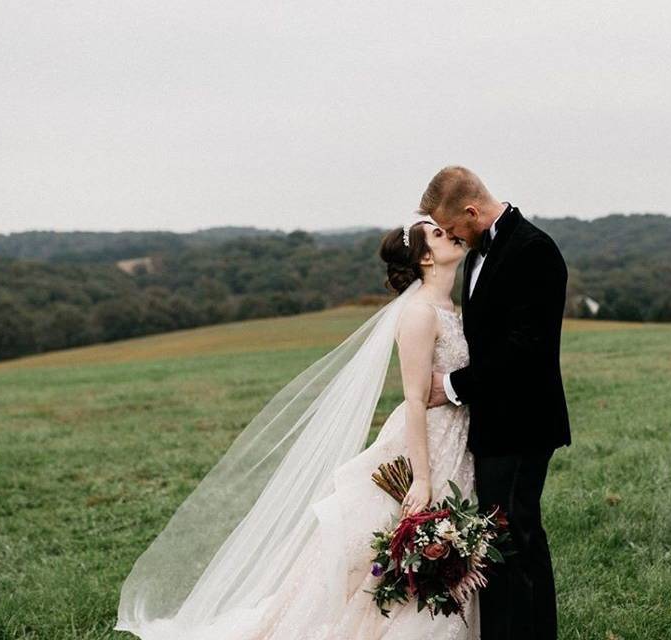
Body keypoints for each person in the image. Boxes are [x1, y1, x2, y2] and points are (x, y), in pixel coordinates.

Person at [115, 219, 480, 639]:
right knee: (386, 550)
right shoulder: (417, 314)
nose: (449, 232)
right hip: (425, 443)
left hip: (456, 439)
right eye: (436, 233)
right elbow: (415, 399)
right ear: (426, 257)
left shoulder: (451, 308)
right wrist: (421, 476)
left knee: (446, 548)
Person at [419, 166, 572, 640]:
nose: (450, 237)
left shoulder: (534, 250)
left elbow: (525, 348)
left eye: (452, 227)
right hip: (492, 425)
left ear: (471, 210)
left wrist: (451, 386)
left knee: (517, 537)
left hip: (524, 424)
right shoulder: (474, 258)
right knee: (499, 542)